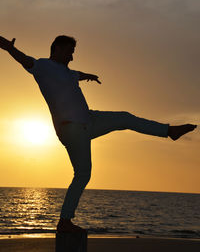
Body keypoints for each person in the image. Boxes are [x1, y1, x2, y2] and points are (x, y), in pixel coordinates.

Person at [0, 35, 197, 233]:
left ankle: (169, 131)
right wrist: (9, 47)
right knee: (83, 174)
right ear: (57, 49)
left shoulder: (68, 72)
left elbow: (77, 74)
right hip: (72, 128)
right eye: (69, 52)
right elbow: (24, 59)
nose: (71, 57)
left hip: (89, 120)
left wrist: (89, 76)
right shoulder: (43, 66)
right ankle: (65, 222)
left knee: (125, 118)